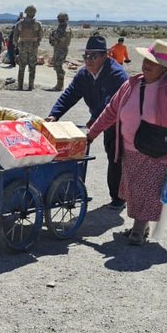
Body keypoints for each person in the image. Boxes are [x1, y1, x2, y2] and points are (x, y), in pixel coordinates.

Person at [86, 40, 167, 244]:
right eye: (146, 59)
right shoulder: (131, 84)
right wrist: (91, 133)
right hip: (130, 149)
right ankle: (141, 227)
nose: (147, 64)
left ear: (164, 68)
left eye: (154, 62)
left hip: (157, 152)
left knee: (146, 190)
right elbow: (111, 112)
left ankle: (137, 230)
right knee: (134, 190)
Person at [46, 34, 130, 209]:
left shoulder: (117, 75)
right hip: (100, 118)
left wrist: (93, 122)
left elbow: (109, 104)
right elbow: (69, 94)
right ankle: (69, 193)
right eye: (86, 56)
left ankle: (119, 198)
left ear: (105, 56)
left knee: (115, 155)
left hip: (121, 120)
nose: (88, 60)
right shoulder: (84, 74)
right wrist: (55, 114)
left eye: (93, 56)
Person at [13, 5, 44, 90]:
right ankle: (30, 86)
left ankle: (20, 86)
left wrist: (16, 45)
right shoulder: (38, 23)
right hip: (33, 47)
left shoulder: (19, 23)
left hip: (22, 47)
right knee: (32, 67)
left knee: (22, 67)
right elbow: (41, 35)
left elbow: (15, 37)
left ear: (26, 12)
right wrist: (37, 42)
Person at [46, 12, 73, 91]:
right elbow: (52, 38)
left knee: (58, 65)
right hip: (57, 48)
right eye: (59, 19)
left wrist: (55, 39)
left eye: (62, 19)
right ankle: (59, 84)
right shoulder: (58, 29)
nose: (60, 20)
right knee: (56, 65)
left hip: (62, 49)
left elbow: (62, 40)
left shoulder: (66, 29)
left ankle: (60, 85)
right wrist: (53, 39)